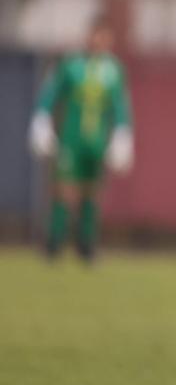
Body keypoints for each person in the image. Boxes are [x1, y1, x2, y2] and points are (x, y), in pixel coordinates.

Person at [28, 18, 134, 263]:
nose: (100, 41)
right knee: (64, 189)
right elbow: (51, 93)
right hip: (71, 138)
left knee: (92, 193)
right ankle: (53, 243)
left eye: (105, 37)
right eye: (97, 35)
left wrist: (122, 134)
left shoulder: (114, 70)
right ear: (89, 37)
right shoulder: (71, 65)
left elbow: (120, 106)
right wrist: (41, 121)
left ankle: (87, 246)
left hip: (96, 140)